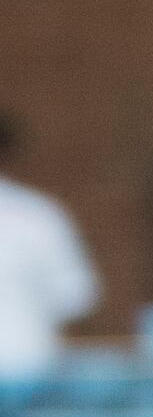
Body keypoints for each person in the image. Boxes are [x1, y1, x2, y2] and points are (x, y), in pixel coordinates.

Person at [0, 111, 100, 381]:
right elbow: (76, 299)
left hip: (29, 374)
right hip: (31, 369)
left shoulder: (39, 216)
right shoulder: (39, 216)